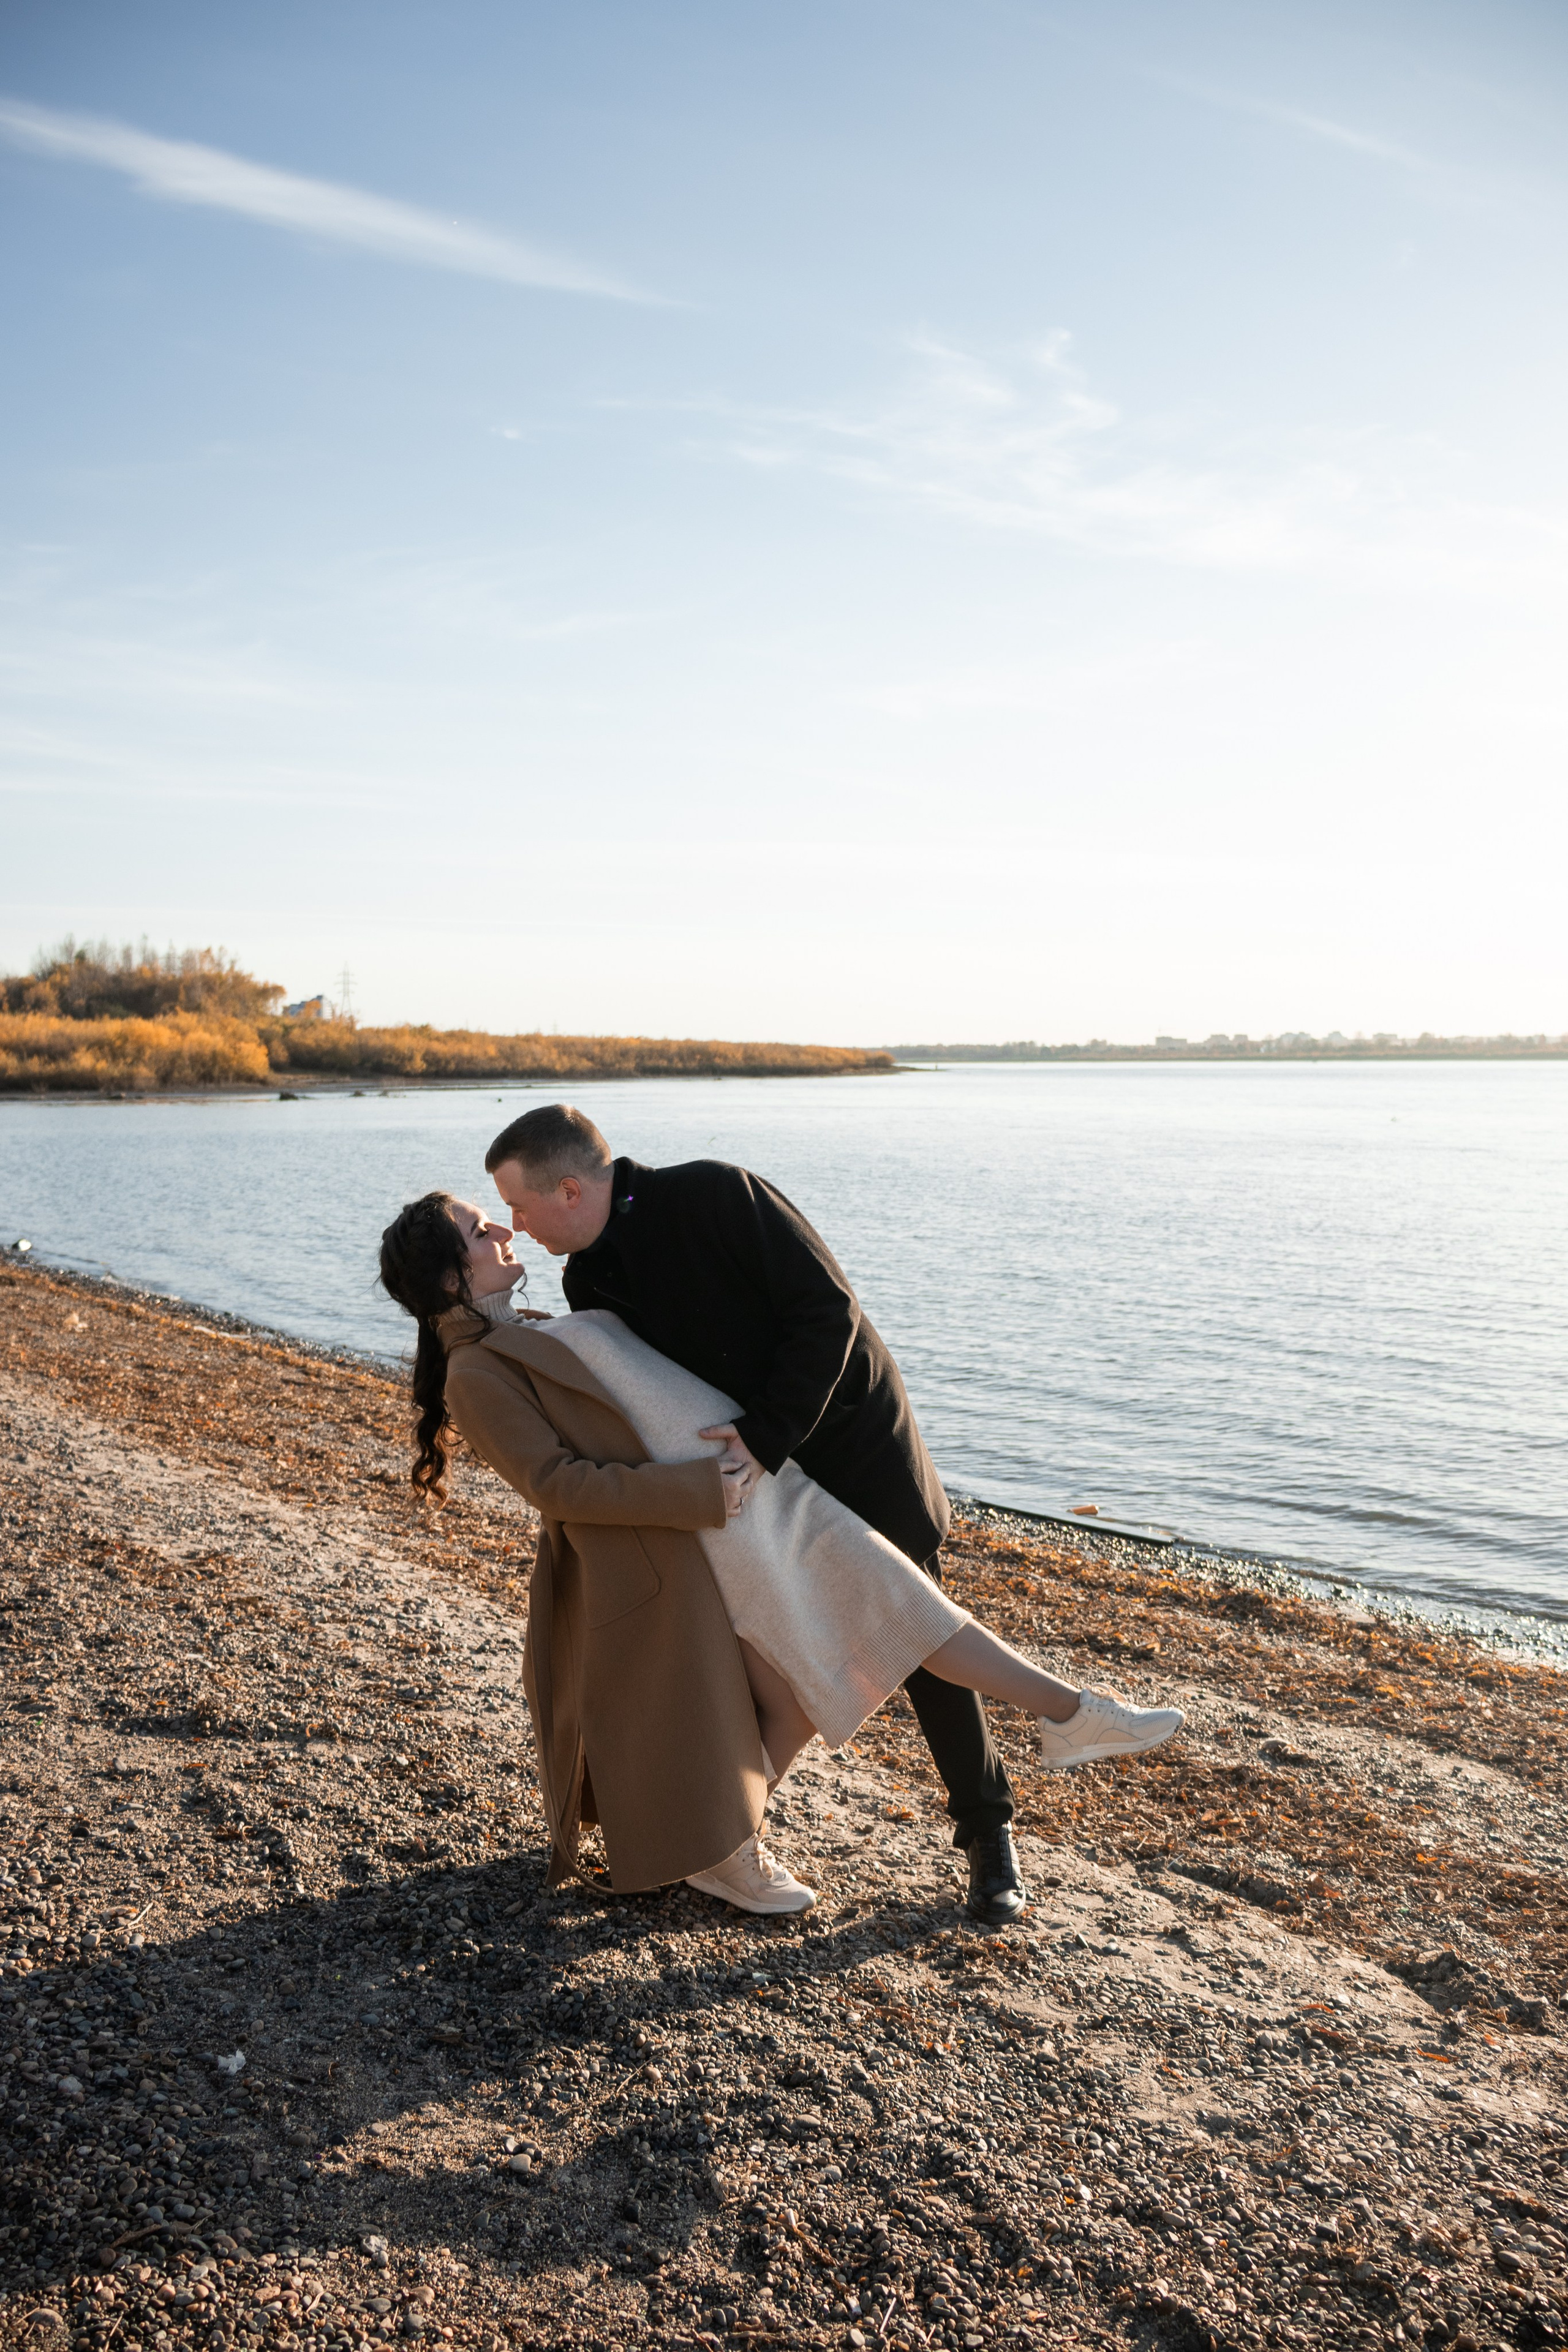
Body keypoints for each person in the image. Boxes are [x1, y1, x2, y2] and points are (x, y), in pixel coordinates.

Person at [379, 1188, 1185, 1920]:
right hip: (717, 1527)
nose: (498, 1225)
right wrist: (701, 1491)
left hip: (762, 1502)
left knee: (837, 1664)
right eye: (475, 1228)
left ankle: (719, 1843)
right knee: (892, 1620)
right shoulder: (477, 1372)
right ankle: (1070, 1715)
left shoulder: (530, 1327)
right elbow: (557, 1485)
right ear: (450, 1279)